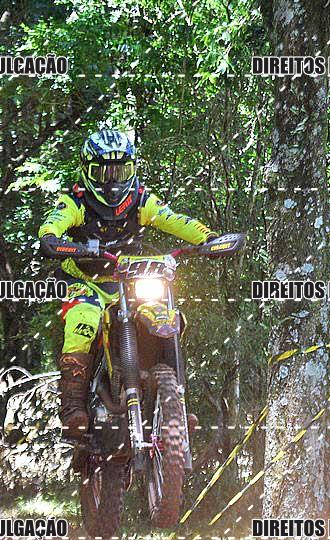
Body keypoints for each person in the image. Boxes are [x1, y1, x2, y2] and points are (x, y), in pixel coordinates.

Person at [38, 129, 217, 438]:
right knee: (83, 320)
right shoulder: (76, 202)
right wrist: (52, 239)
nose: (112, 181)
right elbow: (52, 225)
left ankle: (173, 402)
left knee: (165, 316)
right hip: (86, 281)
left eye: (120, 172)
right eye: (103, 173)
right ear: (87, 171)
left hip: (131, 279)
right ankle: (73, 406)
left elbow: (173, 219)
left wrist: (207, 238)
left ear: (132, 170)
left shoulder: (141, 200)